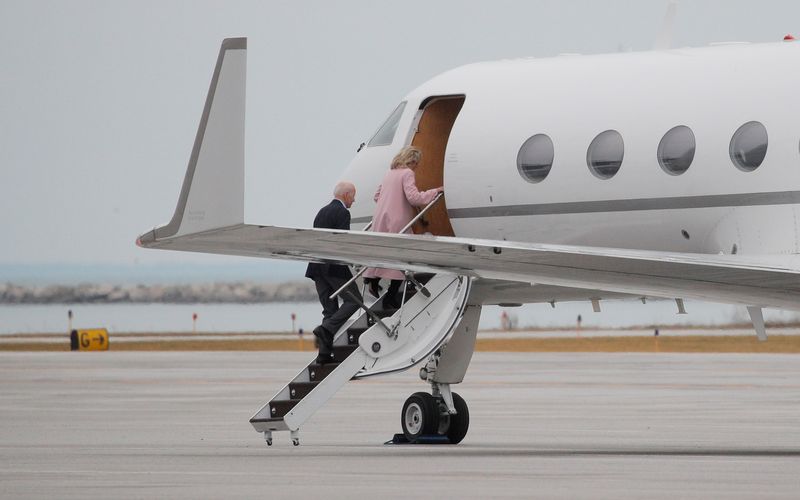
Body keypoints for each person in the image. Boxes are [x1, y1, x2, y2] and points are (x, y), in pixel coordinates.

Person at [363, 146, 443, 309]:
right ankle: (390, 298)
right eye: (417, 163)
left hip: (381, 218)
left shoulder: (389, 173)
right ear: (412, 160)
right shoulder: (407, 173)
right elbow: (414, 198)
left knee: (385, 252)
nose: (416, 167)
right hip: (397, 220)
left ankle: (373, 279)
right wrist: (435, 191)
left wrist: (390, 202)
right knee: (402, 259)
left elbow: (377, 196)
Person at [305, 181, 362, 364]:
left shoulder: (321, 211)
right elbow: (343, 242)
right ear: (346, 195)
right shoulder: (343, 212)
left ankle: (323, 355)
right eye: (353, 196)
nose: (354, 200)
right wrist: (357, 261)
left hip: (316, 267)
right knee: (355, 301)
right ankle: (327, 329)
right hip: (333, 267)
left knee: (329, 310)